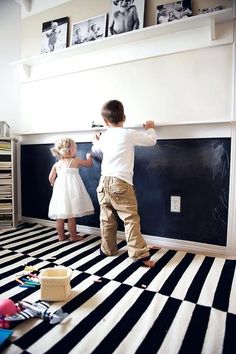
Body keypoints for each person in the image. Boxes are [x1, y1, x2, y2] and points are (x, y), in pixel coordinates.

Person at [92, 100, 157, 267]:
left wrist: (96, 140)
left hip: (103, 182)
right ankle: (138, 255)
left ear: (105, 122)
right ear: (124, 118)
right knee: (130, 219)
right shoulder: (128, 133)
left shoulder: (105, 136)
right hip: (121, 182)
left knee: (107, 219)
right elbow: (151, 141)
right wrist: (150, 127)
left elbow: (95, 149)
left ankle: (107, 249)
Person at [48, 138, 94, 241]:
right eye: (76, 148)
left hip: (60, 192)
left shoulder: (57, 164)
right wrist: (89, 157)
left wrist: (54, 185)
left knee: (60, 215)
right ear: (70, 150)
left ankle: (61, 236)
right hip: (72, 191)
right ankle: (73, 236)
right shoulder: (75, 160)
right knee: (71, 215)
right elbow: (89, 164)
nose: (76, 150)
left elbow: (51, 178)